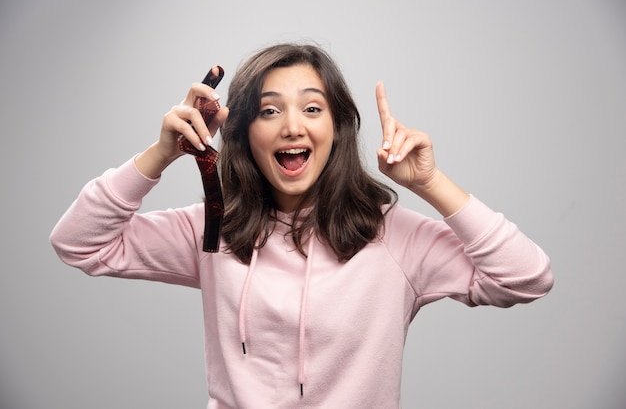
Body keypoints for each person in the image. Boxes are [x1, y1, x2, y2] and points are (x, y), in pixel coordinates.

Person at [50, 43, 553, 408]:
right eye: (270, 111)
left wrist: (430, 183)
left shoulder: (394, 236)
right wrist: (160, 154)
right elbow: (78, 243)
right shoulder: (213, 231)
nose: (292, 126)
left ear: (336, 129)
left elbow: (526, 277)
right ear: (245, 132)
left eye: (313, 108)